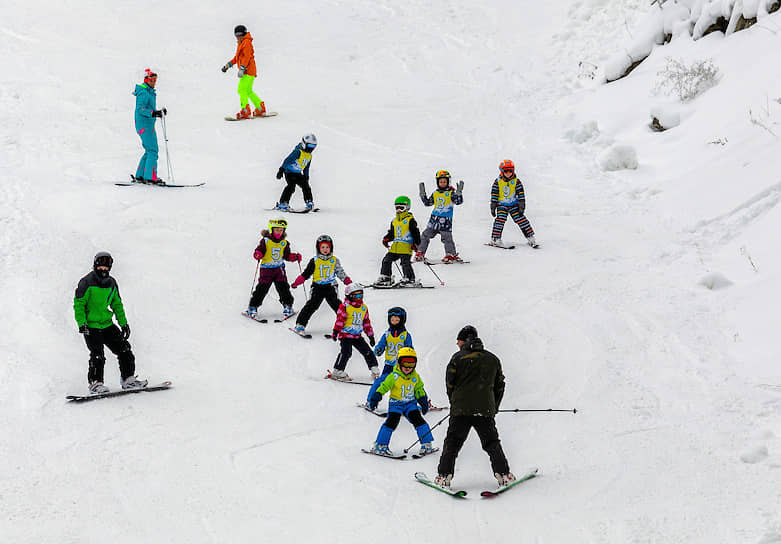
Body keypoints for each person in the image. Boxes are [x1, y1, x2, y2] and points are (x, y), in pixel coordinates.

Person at [434, 325, 515, 489]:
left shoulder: (457, 358)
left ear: (463, 341)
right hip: (484, 410)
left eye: (458, 342)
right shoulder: (493, 359)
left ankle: (444, 477)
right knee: (492, 443)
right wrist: (494, 407)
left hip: (460, 410)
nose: (457, 345)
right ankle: (504, 475)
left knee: (452, 443)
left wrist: (455, 403)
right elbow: (500, 386)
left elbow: (450, 384)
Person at [73, 252, 147, 394]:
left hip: (107, 324)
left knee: (124, 349)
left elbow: (117, 304)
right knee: (97, 355)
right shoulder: (86, 282)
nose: (103, 270)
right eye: (100, 267)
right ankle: (96, 383)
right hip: (91, 326)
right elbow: (79, 304)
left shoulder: (112, 283)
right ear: (95, 265)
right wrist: (82, 323)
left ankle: (128, 379)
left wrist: (123, 324)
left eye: (106, 267)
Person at [367, 347, 435, 456]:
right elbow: (384, 386)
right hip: (396, 405)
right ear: (399, 363)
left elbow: (419, 389)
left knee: (419, 421)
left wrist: (423, 401)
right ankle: (380, 445)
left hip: (410, 404)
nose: (408, 367)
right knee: (391, 423)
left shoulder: (415, 377)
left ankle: (426, 444)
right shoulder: (394, 376)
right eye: (405, 363)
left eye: (411, 364)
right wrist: (376, 397)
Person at [290, 234, 352, 335]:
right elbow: (306, 273)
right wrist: (297, 282)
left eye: (327, 247)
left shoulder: (334, 260)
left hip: (330, 287)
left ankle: (345, 324)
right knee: (311, 305)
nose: (325, 249)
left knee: (337, 305)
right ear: (318, 248)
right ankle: (300, 325)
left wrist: (347, 281)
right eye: (322, 247)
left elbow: (340, 272)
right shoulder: (315, 260)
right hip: (317, 287)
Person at [246, 218, 302, 319]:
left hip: (279, 269)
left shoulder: (284, 243)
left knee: (283, 288)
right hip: (266, 269)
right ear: (272, 230)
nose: (279, 232)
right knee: (262, 288)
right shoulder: (266, 241)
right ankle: (253, 307)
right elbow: (260, 250)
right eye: (277, 230)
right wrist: (258, 254)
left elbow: (286, 255)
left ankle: (288, 305)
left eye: (281, 230)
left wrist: (294, 257)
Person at [366, 307, 414, 406]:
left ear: (402, 320)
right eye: (392, 320)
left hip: (402, 366)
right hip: (389, 366)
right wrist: (378, 350)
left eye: (397, 320)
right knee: (379, 382)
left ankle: (419, 403)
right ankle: (370, 401)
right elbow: (381, 345)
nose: (394, 322)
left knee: (410, 384)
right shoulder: (387, 335)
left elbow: (410, 350)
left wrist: (409, 359)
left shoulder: (405, 335)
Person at [330, 284, 378, 379]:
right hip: (345, 335)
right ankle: (337, 370)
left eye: (361, 295)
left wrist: (370, 336)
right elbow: (340, 320)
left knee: (368, 352)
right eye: (356, 296)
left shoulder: (363, 308)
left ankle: (374, 369)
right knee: (346, 352)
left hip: (357, 336)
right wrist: (336, 332)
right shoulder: (345, 306)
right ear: (349, 296)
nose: (359, 298)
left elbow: (366, 323)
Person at [415, 170, 465, 263]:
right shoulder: (436, 193)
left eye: (444, 182)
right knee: (425, 235)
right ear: (437, 182)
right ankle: (420, 252)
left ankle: (451, 254)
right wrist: (422, 194)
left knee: (447, 238)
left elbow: (458, 202)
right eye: (441, 182)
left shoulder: (451, 192)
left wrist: (459, 193)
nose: (442, 183)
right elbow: (428, 203)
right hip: (434, 220)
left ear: (448, 182)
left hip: (445, 221)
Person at [221, 24, 267, 120]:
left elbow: (247, 57)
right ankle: (259, 108)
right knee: (248, 91)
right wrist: (228, 65)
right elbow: (237, 58)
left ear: (242, 34)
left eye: (239, 35)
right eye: (236, 36)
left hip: (248, 71)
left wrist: (242, 68)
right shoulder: (241, 43)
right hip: (249, 71)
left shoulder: (246, 42)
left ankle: (245, 111)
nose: (237, 38)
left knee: (241, 90)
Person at [490, 159, 539, 248]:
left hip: (514, 205)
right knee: (500, 220)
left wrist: (522, 205)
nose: (508, 173)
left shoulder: (517, 181)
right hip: (502, 205)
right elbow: (494, 194)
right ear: (501, 172)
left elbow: (521, 194)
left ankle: (530, 237)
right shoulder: (497, 182)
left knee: (521, 219)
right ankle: (495, 238)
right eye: (506, 171)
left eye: (510, 171)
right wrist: (493, 206)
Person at [375, 196, 421, 286]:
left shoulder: (410, 220)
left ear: (407, 208)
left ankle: (409, 278)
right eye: (397, 208)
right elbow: (392, 233)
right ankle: (386, 277)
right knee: (386, 260)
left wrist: (416, 244)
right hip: (395, 248)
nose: (399, 210)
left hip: (406, 246)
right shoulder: (394, 221)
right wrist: (386, 239)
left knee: (405, 263)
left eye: (401, 208)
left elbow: (416, 233)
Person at [133, 69, 167, 184]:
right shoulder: (144, 92)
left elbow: (149, 109)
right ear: (146, 80)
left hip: (146, 125)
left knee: (149, 150)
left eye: (155, 80)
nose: (154, 82)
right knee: (153, 150)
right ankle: (150, 177)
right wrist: (153, 113)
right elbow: (140, 109)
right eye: (151, 80)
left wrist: (158, 112)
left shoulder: (148, 91)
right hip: (145, 125)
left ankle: (140, 175)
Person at [274, 134, 318, 211]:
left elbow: (306, 167)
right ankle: (283, 203)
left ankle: (309, 202)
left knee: (306, 186)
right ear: (304, 143)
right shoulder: (298, 152)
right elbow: (288, 160)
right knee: (291, 186)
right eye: (310, 145)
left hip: (298, 173)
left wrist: (306, 176)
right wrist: (281, 169)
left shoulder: (309, 156)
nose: (311, 148)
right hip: (289, 172)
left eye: (313, 146)